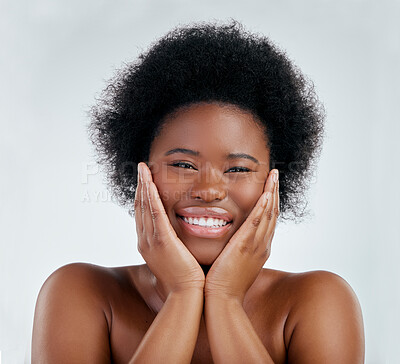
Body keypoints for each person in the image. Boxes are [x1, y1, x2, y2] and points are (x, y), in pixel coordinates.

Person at [32, 20, 365, 363]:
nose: (208, 190)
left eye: (238, 169)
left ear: (275, 182)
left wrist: (225, 299)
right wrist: (182, 293)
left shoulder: (317, 302)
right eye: (183, 165)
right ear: (140, 169)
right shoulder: (80, 293)